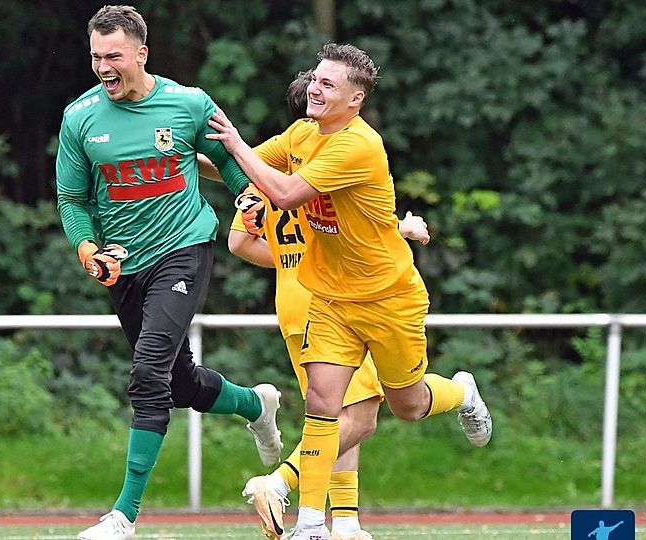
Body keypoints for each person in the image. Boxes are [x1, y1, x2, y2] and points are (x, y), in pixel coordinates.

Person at [207, 42, 493, 539]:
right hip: (330, 298)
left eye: (327, 84)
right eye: (314, 79)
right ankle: (312, 526)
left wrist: (233, 144)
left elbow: (284, 192)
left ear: (355, 99)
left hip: (387, 299)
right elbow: (236, 167)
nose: (314, 89)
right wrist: (172, 153)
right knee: (323, 404)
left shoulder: (359, 145)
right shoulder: (301, 134)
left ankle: (461, 392)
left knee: (406, 406)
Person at [54, 6, 283, 540]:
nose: (103, 67)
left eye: (113, 56)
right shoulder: (79, 117)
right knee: (177, 384)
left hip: (184, 248)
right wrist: (87, 247)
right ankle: (256, 404)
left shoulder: (188, 103)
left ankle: (123, 516)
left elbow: (228, 161)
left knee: (148, 373)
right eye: (95, 57)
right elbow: (71, 199)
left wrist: (246, 196)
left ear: (142, 54)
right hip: (122, 264)